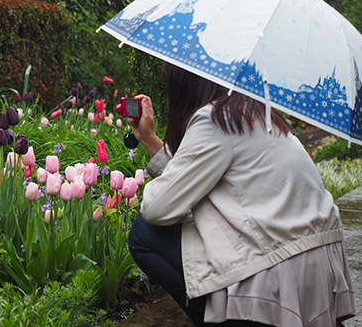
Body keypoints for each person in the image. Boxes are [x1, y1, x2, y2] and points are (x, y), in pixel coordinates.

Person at [127, 62, 356, 327]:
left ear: (183, 86)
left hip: (279, 267)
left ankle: (230, 320)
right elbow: (193, 175)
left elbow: (157, 208)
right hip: (317, 264)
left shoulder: (214, 120)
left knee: (143, 234)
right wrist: (148, 139)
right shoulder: (255, 113)